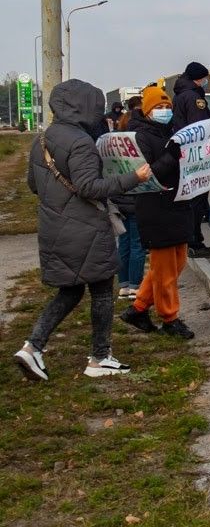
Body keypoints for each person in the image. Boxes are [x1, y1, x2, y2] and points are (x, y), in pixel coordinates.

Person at [14, 79, 152, 381]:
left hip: (55, 225)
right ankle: (99, 357)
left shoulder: (43, 139)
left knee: (72, 289)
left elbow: (34, 185)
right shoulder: (80, 142)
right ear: (84, 107)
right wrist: (133, 178)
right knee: (102, 289)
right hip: (85, 227)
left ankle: (33, 347)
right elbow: (89, 187)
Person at [120, 85, 198, 340]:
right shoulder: (139, 136)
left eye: (167, 107)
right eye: (158, 107)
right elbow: (148, 173)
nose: (164, 111)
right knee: (164, 271)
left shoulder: (173, 132)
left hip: (177, 203)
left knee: (176, 263)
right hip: (155, 207)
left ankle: (139, 308)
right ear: (147, 110)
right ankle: (170, 318)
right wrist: (172, 155)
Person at [171, 61, 210, 259]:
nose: (205, 82)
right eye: (204, 78)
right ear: (198, 78)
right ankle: (194, 242)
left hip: (186, 154)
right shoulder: (193, 97)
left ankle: (193, 239)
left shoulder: (180, 95)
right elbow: (201, 127)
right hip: (196, 155)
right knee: (197, 202)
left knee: (192, 201)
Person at [113, 103, 146, 300]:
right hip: (136, 199)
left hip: (118, 198)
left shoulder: (113, 145)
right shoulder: (137, 145)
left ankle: (123, 285)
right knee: (137, 244)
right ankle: (135, 285)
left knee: (123, 243)